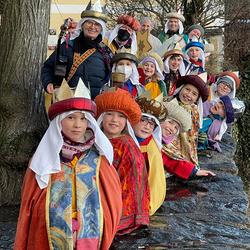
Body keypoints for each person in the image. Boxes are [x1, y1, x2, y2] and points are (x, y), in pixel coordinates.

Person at [14, 79, 122, 249]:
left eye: (83, 118)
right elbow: (29, 208)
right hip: (49, 235)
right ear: (59, 122)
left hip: (89, 237)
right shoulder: (44, 160)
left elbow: (113, 203)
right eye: (71, 117)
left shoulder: (99, 160)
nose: (78, 125)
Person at [95, 88, 150, 234]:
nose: (114, 120)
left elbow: (131, 185)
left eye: (120, 116)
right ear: (101, 118)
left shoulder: (127, 147)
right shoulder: (92, 140)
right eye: (109, 114)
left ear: (126, 121)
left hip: (118, 205)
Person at [41, 1, 113, 99]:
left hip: (95, 106)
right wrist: (48, 82)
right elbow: (48, 67)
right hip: (68, 105)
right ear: (82, 25)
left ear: (101, 28)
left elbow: (111, 78)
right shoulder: (66, 47)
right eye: (89, 22)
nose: (93, 27)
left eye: (97, 24)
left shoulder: (106, 53)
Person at [161, 99, 215, 179]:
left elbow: (171, 162)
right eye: (170, 122)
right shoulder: (151, 139)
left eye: (176, 127)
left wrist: (194, 172)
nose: (172, 128)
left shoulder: (166, 144)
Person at [133, 96, 167, 215]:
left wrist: (148, 207)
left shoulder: (151, 148)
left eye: (152, 124)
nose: (147, 127)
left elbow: (156, 180)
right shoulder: (123, 140)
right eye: (143, 121)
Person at [169, 74, 209, 165]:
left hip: (186, 147)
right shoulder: (168, 103)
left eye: (194, 94)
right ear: (181, 88)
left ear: (196, 99)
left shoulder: (194, 111)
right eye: (187, 89)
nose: (188, 94)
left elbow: (193, 135)